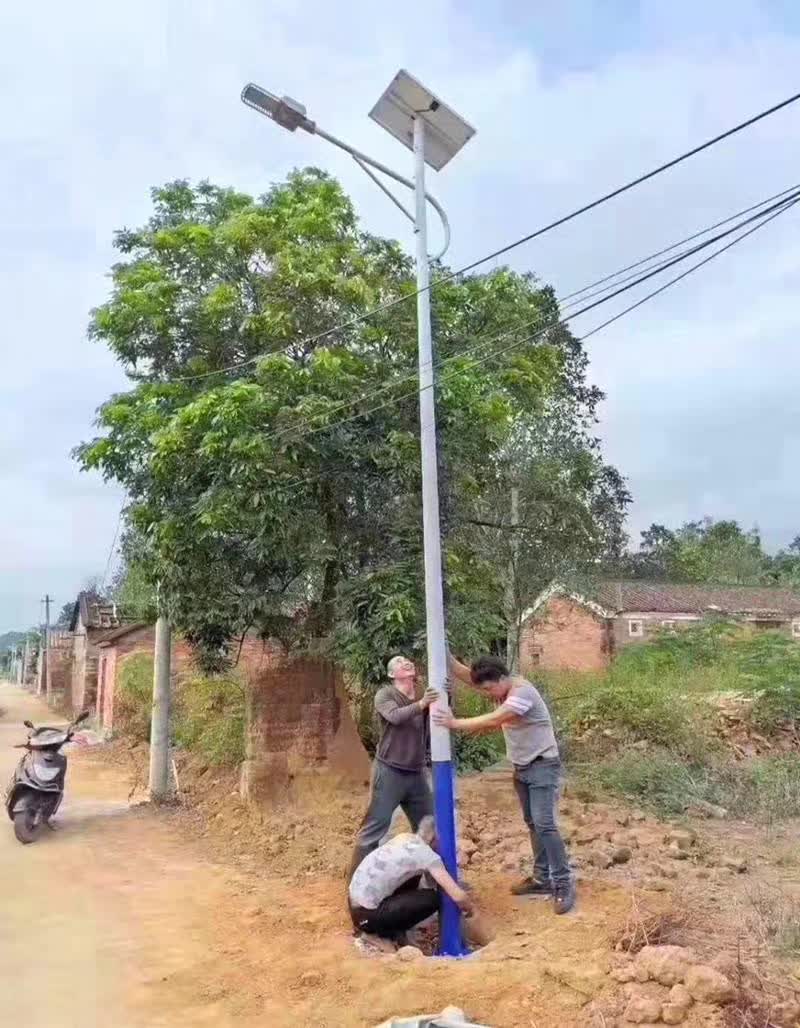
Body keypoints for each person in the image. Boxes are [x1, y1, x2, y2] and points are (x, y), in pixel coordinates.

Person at [435, 653, 576, 915]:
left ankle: (563, 883)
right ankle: (542, 879)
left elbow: (493, 719)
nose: (488, 694)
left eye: (489, 689)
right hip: (522, 767)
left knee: (544, 824)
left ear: (501, 679)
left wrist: (454, 723)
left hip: (542, 765)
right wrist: (443, 648)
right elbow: (466, 675)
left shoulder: (522, 694)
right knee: (534, 824)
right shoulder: (500, 686)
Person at [348, 655, 438, 876]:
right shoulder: (385, 695)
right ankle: (356, 882)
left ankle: (436, 883)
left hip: (416, 774)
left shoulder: (423, 695)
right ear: (391, 675)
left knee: (430, 826)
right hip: (389, 771)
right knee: (374, 828)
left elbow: (430, 727)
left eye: (407, 660)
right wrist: (422, 704)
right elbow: (396, 717)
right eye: (399, 662)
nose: (406, 662)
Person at [348, 815, 474, 940]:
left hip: (354, 908)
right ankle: (376, 936)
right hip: (367, 918)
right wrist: (472, 911)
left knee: (412, 881)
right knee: (433, 898)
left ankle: (394, 934)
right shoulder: (428, 856)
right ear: (435, 837)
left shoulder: (404, 838)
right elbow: (458, 896)